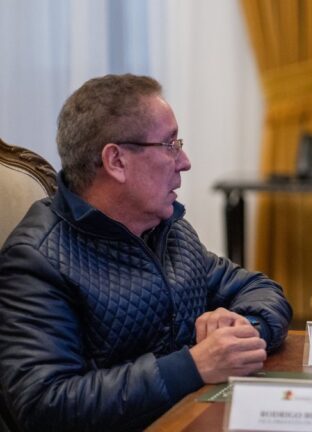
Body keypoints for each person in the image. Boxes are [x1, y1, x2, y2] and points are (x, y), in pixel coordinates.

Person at [0, 74, 293, 431]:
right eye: (170, 144)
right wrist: (193, 365)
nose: (184, 161)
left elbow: (261, 290)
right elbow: (44, 405)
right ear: (116, 161)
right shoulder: (37, 259)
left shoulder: (167, 229)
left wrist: (241, 331)